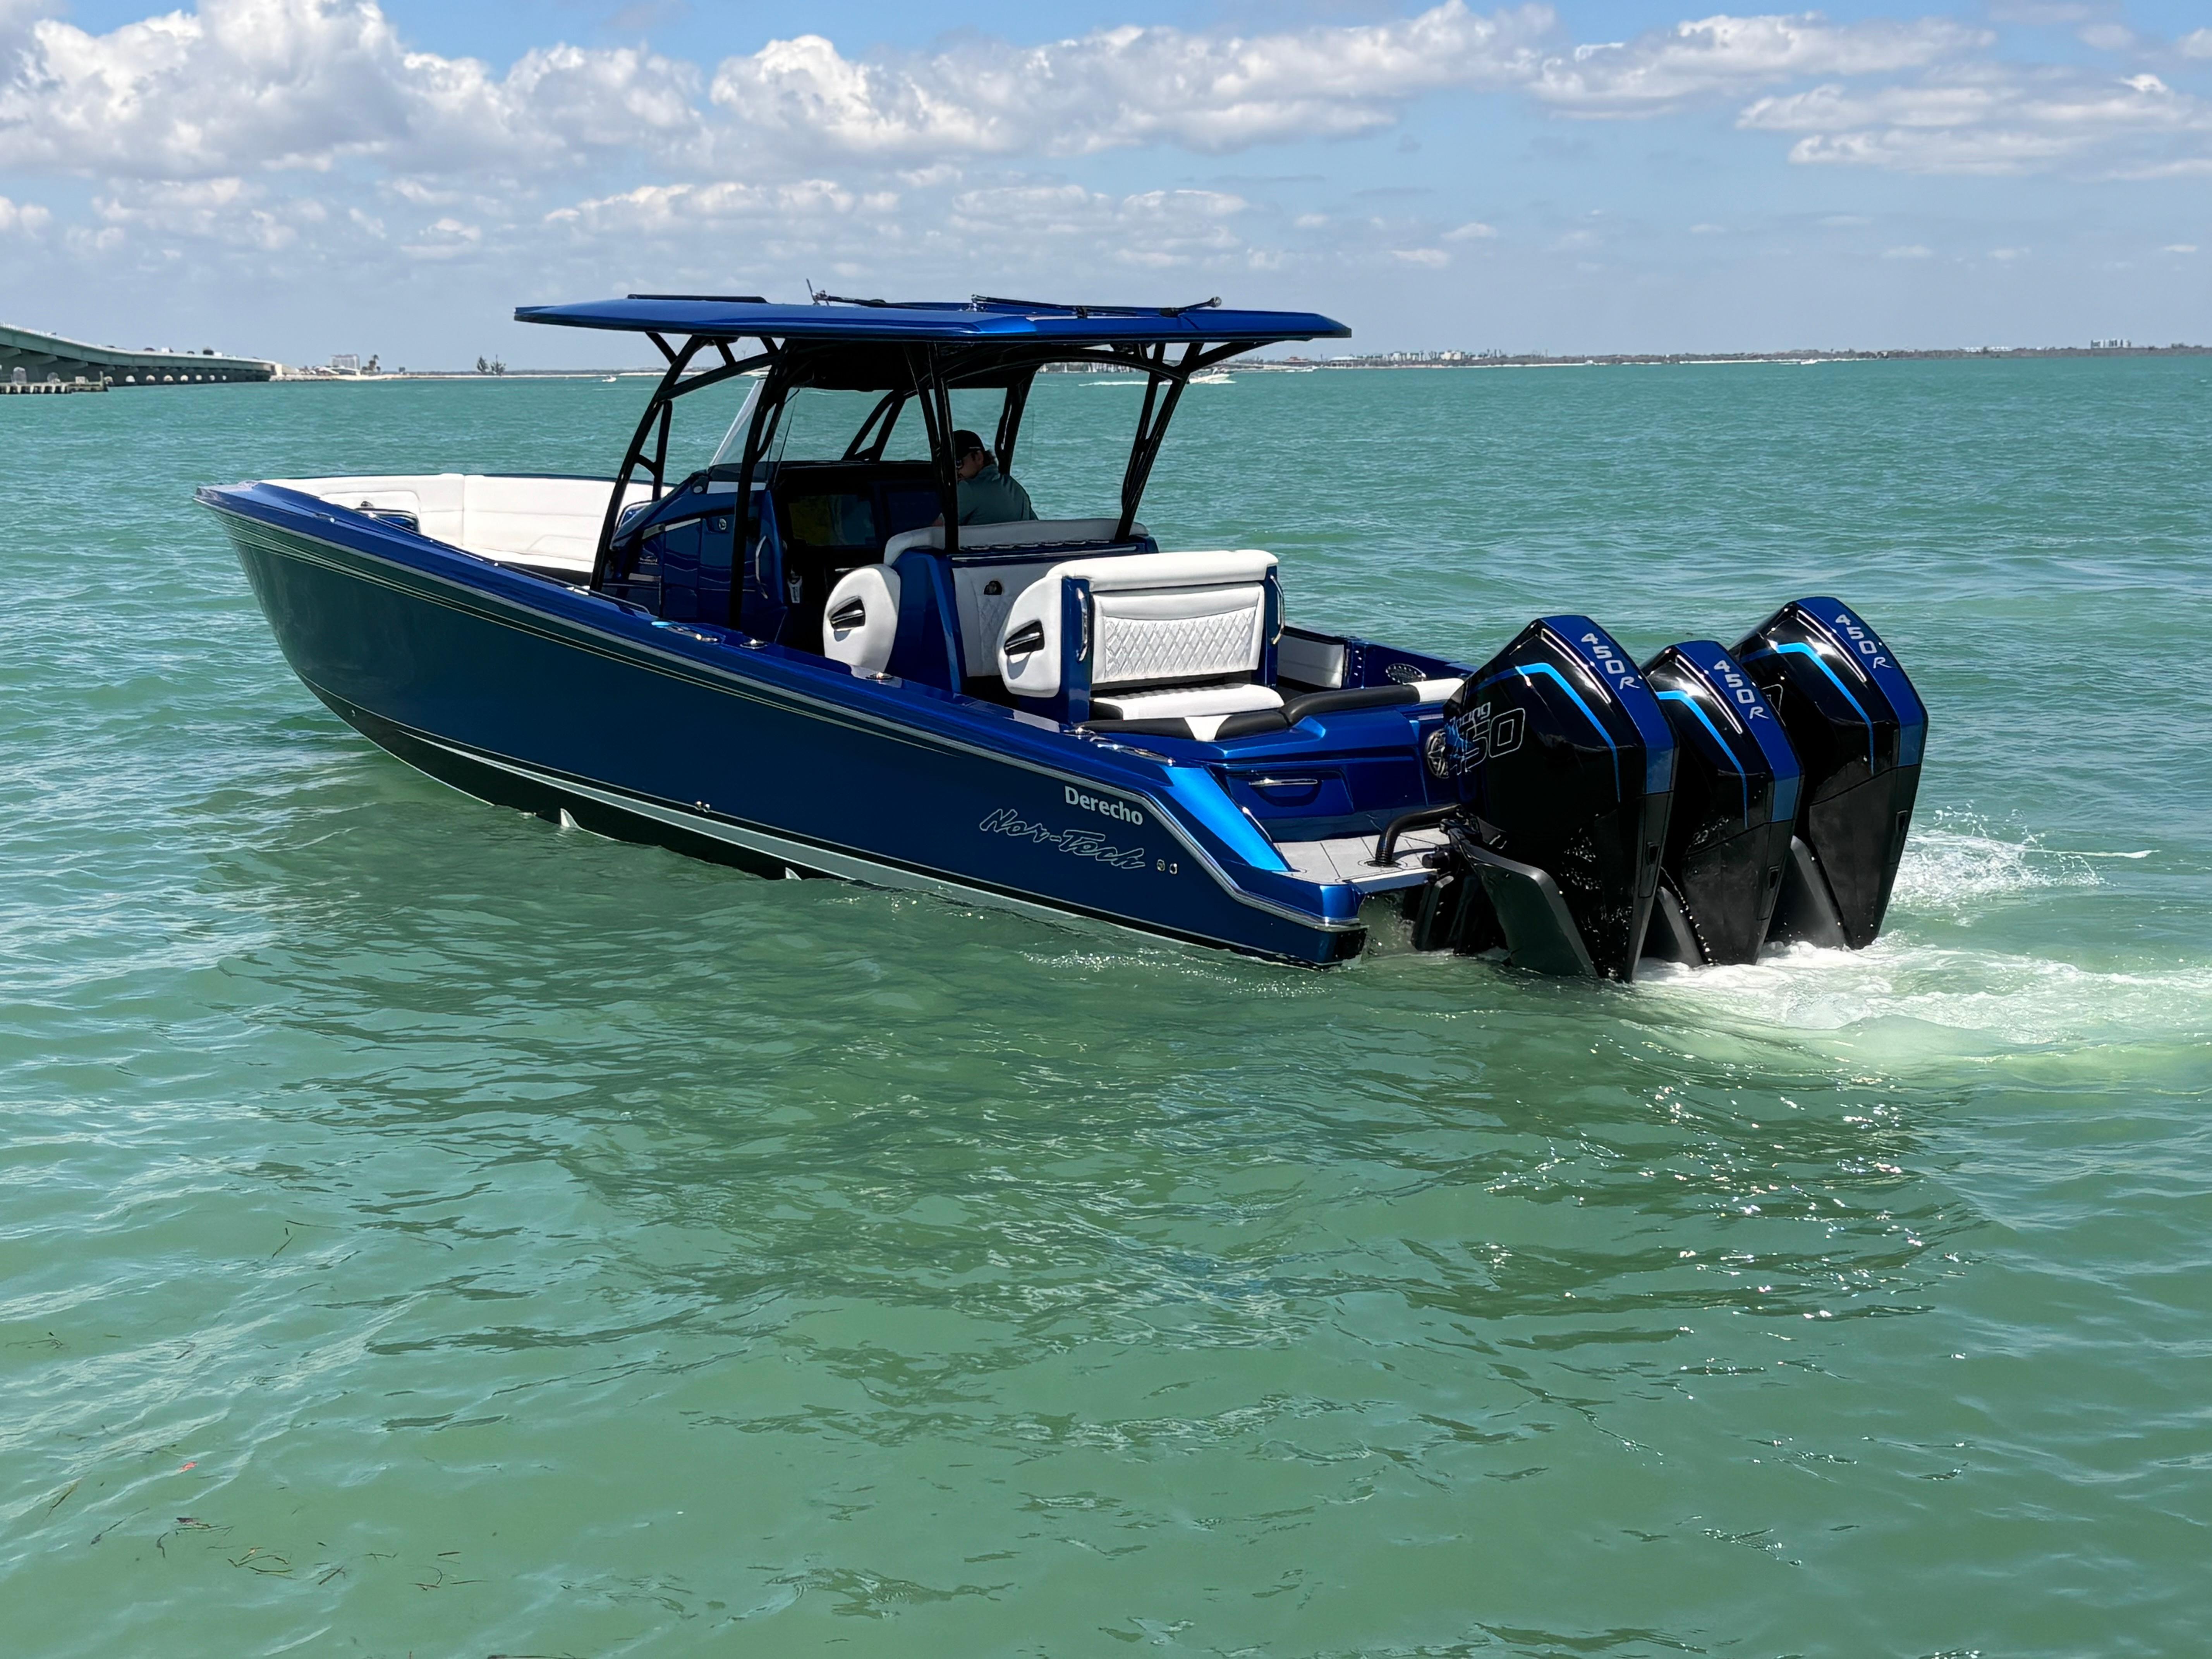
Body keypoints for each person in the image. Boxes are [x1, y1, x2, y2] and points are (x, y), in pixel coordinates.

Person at [948, 430, 1036, 526]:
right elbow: (1035, 528)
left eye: (958, 463)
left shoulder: (967, 489)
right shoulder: (1017, 489)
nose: (954, 472)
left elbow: (936, 532)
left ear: (979, 457)